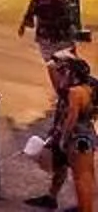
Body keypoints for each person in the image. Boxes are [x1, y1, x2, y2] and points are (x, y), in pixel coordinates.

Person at [29, 52, 97, 210]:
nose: (62, 75)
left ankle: (85, 209)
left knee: (81, 178)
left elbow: (72, 118)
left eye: (66, 71)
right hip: (87, 136)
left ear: (73, 74)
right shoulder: (89, 89)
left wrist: (63, 139)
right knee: (86, 176)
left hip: (76, 137)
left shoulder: (74, 92)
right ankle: (85, 208)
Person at [31, 0, 84, 93]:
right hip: (61, 37)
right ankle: (73, 85)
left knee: (51, 65)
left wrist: (24, 25)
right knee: (70, 60)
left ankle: (59, 91)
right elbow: (66, 18)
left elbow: (29, 15)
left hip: (44, 38)